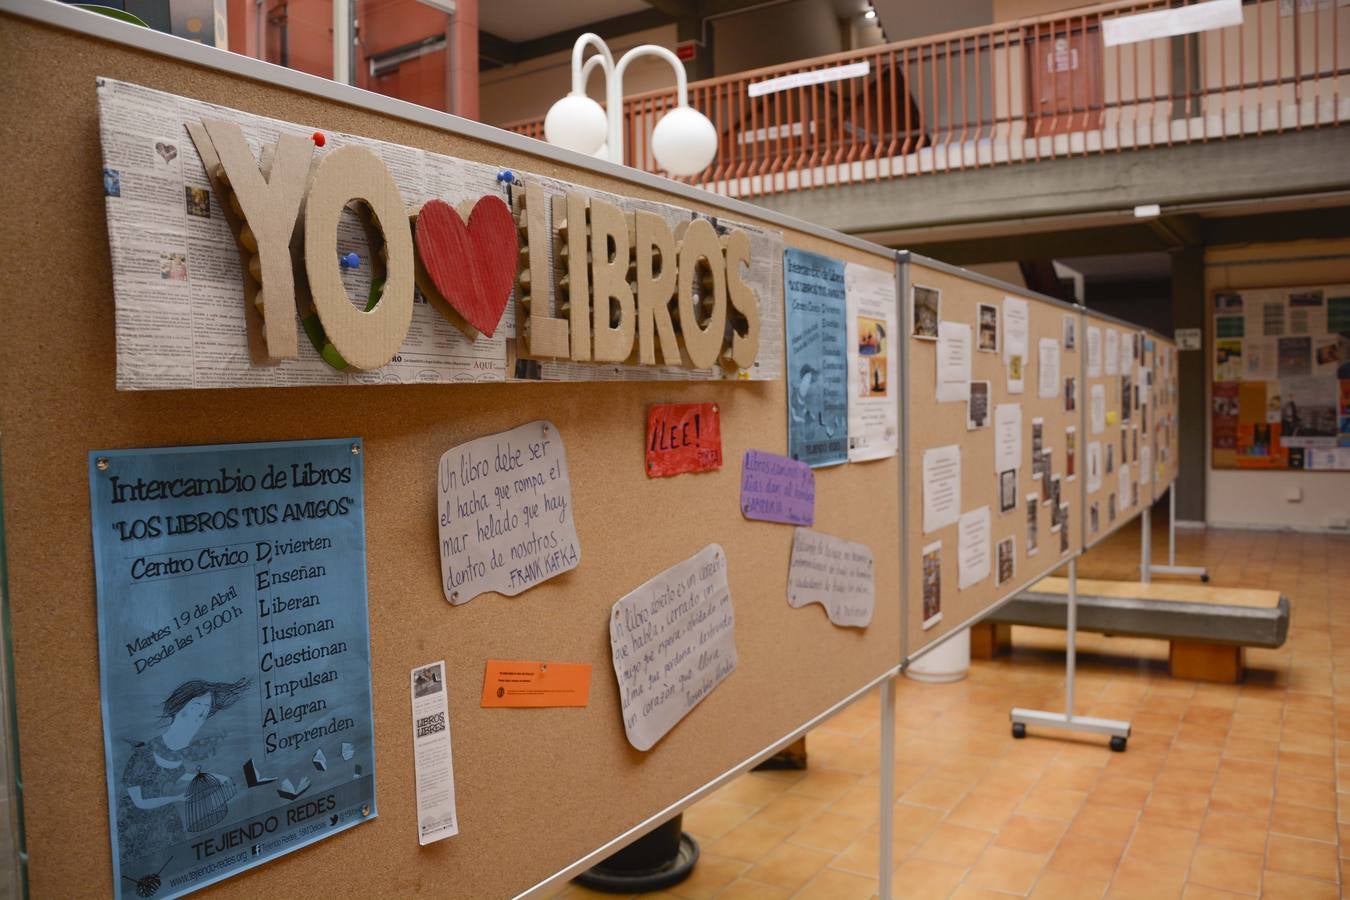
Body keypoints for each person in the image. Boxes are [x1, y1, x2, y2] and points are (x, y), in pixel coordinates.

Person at [117, 677, 248, 866]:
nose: (197, 720)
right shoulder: (143, 755)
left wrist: (216, 777)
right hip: (138, 829)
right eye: (193, 710)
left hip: (167, 825)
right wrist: (176, 798)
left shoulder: (172, 752)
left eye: (203, 715)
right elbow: (139, 802)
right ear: (177, 709)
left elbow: (177, 774)